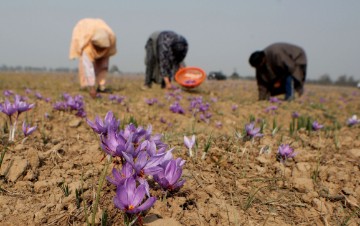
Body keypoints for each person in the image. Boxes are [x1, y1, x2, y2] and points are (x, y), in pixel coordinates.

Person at [69, 18, 117, 97]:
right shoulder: (87, 46)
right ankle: (86, 85)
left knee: (103, 65)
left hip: (104, 41)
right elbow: (89, 68)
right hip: (84, 34)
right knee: (84, 65)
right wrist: (92, 88)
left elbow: (104, 65)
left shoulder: (111, 38)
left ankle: (101, 85)